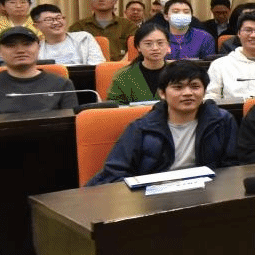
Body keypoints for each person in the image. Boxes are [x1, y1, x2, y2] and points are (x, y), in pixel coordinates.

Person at [85, 61, 238, 185]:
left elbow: (233, 168)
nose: (187, 93)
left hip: (206, 194)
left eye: (195, 86)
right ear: (162, 93)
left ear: (204, 91)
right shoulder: (141, 128)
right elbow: (114, 174)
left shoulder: (222, 121)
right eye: (178, 87)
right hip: (154, 198)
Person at [0, 27, 78, 113]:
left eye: (27, 44)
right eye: (10, 45)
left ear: (38, 47)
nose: (20, 50)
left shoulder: (62, 84)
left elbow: (71, 120)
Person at [205, 10, 255, 100]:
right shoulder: (220, 65)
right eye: (248, 30)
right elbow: (211, 97)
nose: (253, 35)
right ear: (239, 33)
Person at [69, 0, 137, 61]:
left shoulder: (128, 25)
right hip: (89, 66)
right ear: (91, 1)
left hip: (122, 65)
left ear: (114, 1)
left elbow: (136, 47)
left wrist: (121, 65)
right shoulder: (79, 26)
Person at [108, 22, 172, 104]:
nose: (155, 48)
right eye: (148, 44)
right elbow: (114, 107)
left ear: (168, 45)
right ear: (138, 47)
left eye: (160, 43)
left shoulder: (178, 73)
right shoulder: (123, 76)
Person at [31, 4, 105, 65]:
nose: (56, 22)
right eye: (49, 20)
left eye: (58, 18)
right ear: (36, 26)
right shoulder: (36, 49)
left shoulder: (84, 38)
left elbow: (98, 66)